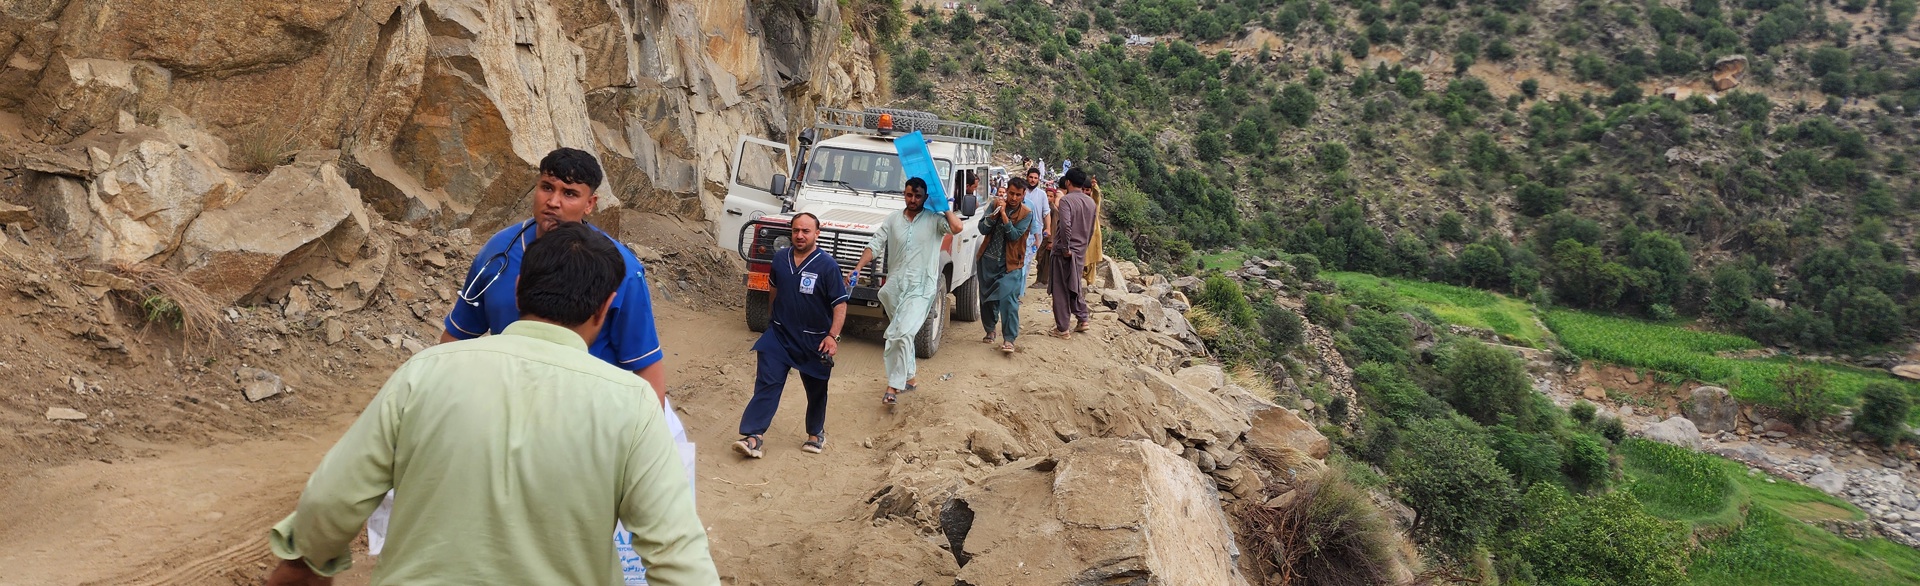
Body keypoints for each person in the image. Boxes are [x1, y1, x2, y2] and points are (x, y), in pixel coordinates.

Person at [262, 222, 718, 586]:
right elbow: (677, 556)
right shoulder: (632, 405)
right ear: (605, 308)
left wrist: (306, 564)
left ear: (518, 289)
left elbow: (332, 496)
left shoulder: (425, 372)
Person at [430, 147, 695, 581]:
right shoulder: (498, 254)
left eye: (569, 193)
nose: (553, 201)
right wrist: (436, 405)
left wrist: (646, 444)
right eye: (546, 187)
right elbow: (454, 339)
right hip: (503, 415)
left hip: (587, 424)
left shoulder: (619, 269)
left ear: (591, 204)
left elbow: (646, 365)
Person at [733, 212, 847, 458]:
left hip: (814, 340)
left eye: (806, 231)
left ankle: (816, 433)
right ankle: (753, 436)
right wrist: (772, 321)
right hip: (780, 335)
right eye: (796, 230)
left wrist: (832, 337)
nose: (800, 235)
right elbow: (774, 289)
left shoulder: (827, 266)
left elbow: (840, 304)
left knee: (816, 389)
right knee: (767, 383)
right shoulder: (780, 259)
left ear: (817, 233)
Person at [849, 176, 962, 405]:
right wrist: (858, 268)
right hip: (894, 288)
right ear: (904, 193)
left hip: (921, 288)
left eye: (918, 196)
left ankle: (894, 385)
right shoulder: (892, 220)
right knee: (903, 334)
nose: (913, 200)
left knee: (900, 334)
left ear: (925, 197)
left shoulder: (935, 220)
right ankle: (910, 379)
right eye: (909, 195)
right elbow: (875, 245)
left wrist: (944, 206)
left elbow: (957, 227)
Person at [977, 177, 1034, 352]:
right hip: (988, 260)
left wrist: (1004, 216)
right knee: (986, 298)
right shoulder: (995, 205)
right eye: (1011, 193)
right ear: (1006, 191)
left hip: (1011, 264)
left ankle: (1009, 339)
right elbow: (982, 228)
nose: (1014, 198)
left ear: (1024, 195)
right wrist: (995, 215)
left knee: (1008, 300)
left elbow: (1015, 235)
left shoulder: (1026, 213)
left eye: (1018, 194)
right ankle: (990, 329)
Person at [1047, 168, 1098, 339]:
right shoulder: (1091, 203)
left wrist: (1065, 248)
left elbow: (1065, 226)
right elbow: (1091, 230)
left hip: (1065, 252)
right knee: (1075, 286)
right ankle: (1083, 319)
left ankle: (1062, 329)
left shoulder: (1067, 201)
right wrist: (1081, 248)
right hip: (1080, 251)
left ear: (1068, 182)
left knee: (1060, 289)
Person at [1022, 167, 1051, 289]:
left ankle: (1019, 291)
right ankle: (1015, 291)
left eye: (1035, 178)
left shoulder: (1042, 194)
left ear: (1039, 179)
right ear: (1027, 177)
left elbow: (1046, 212)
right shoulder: (1021, 192)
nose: (1033, 180)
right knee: (1019, 261)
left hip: (1035, 234)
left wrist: (1048, 228)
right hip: (1020, 231)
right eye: (1031, 177)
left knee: (1027, 261)